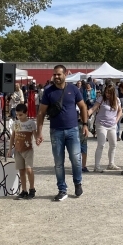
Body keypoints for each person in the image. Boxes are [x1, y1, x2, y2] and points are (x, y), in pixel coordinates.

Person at [35, 65, 88, 202]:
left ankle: (78, 183)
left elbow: (83, 106)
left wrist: (85, 125)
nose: (56, 77)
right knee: (58, 163)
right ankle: (62, 189)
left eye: (59, 74)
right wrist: (39, 132)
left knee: (76, 160)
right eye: (54, 75)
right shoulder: (48, 92)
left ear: (65, 74)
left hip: (72, 130)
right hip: (56, 131)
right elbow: (41, 112)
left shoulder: (73, 89)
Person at [87, 84, 122, 172]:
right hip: (101, 124)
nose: (107, 94)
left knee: (113, 144)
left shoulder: (117, 100)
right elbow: (93, 108)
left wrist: (116, 120)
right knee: (101, 144)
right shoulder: (101, 99)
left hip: (112, 125)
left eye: (109, 93)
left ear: (113, 93)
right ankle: (97, 166)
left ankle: (111, 163)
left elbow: (120, 110)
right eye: (106, 92)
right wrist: (86, 114)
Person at [10, 103, 36, 200]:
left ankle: (32, 188)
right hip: (18, 150)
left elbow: (35, 134)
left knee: (29, 169)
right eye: (17, 115)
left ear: (26, 113)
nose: (19, 117)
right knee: (21, 170)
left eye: (21, 115)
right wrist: (10, 149)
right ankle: (24, 190)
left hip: (28, 150)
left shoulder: (31, 123)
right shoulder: (16, 124)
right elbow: (13, 136)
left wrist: (38, 138)